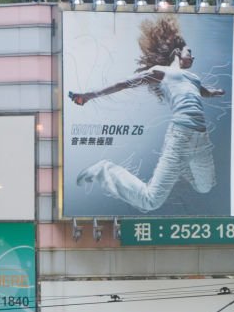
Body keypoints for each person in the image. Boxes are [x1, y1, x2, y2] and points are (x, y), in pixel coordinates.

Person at [70, 16, 224, 213]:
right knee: (150, 201)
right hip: (180, 136)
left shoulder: (193, 78)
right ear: (177, 53)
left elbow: (203, 92)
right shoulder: (161, 72)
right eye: (189, 53)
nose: (193, 57)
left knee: (205, 187)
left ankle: (181, 165)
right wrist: (90, 95)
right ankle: (104, 170)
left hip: (201, 139)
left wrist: (215, 92)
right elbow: (124, 83)